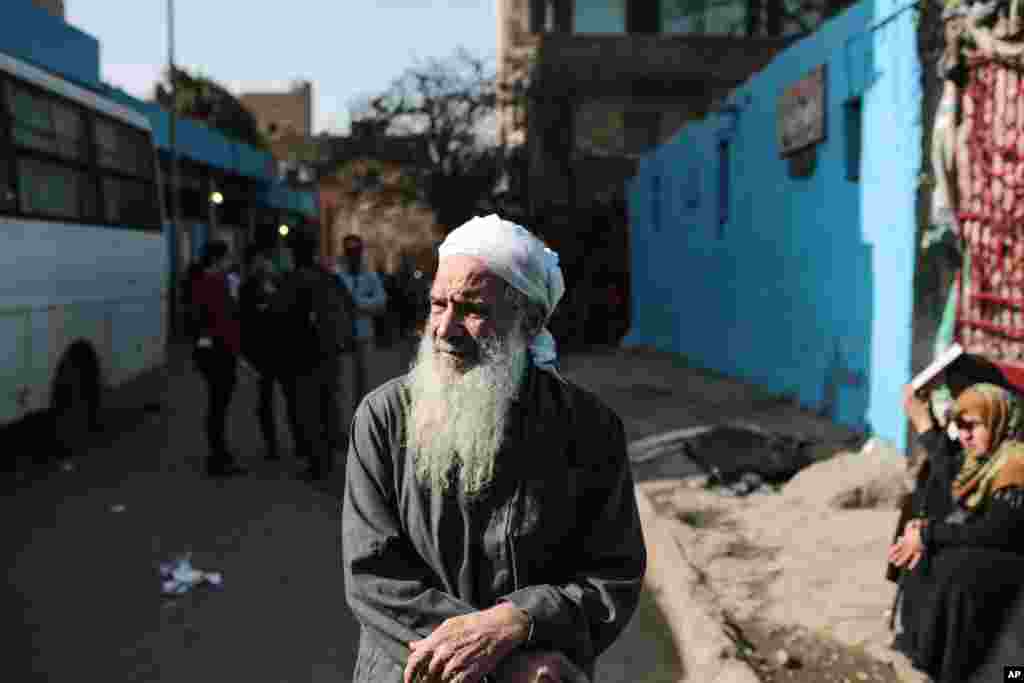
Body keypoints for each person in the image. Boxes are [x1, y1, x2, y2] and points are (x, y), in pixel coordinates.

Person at [342, 214, 647, 683]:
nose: (445, 328)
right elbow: (373, 578)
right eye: (438, 304)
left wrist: (521, 620)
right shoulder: (383, 418)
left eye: (472, 308)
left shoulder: (589, 428)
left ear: (530, 321)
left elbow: (613, 574)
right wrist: (503, 660)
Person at [889, 380, 1024, 682]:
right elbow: (947, 478)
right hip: (995, 547)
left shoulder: (1016, 462)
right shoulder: (980, 461)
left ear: (998, 420)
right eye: (959, 425)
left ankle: (959, 669)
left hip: (1014, 556)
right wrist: (922, 529)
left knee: (956, 568)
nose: (964, 434)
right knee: (921, 530)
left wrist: (929, 534)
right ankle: (926, 654)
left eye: (973, 425)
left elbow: (997, 532)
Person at [273, 235, 355, 481]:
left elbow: (280, 315)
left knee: (308, 408)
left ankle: (317, 462)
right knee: (328, 404)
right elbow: (349, 305)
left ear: (295, 254)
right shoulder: (330, 278)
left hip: (302, 355)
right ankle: (330, 456)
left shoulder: (292, 279)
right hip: (330, 354)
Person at [190, 240, 247, 477]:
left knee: (217, 404)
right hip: (219, 353)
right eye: (227, 257)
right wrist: (236, 353)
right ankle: (219, 457)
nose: (229, 262)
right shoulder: (215, 283)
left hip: (209, 351)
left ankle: (219, 454)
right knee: (218, 405)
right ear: (217, 259)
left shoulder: (203, 281)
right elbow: (224, 322)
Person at [239, 243, 283, 461]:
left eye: (265, 260)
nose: (264, 264)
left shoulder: (279, 282)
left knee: (290, 396)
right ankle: (271, 443)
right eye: (259, 261)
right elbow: (245, 319)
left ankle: (301, 439)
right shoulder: (247, 287)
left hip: (280, 348)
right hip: (260, 352)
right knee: (264, 400)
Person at [335, 234, 387, 407]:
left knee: (365, 382)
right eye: (350, 251)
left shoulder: (370, 277)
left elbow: (381, 301)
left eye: (356, 251)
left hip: (364, 336)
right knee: (346, 385)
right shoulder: (339, 278)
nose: (353, 255)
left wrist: (358, 304)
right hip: (344, 338)